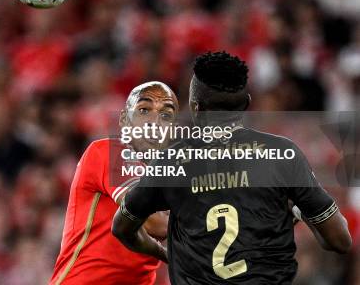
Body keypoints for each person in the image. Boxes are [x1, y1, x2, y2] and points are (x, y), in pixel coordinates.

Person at [112, 51, 352, 284]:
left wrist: (164, 253)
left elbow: (122, 228)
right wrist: (299, 211)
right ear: (247, 104)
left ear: (195, 107)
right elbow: (339, 241)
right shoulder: (282, 154)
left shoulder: (171, 160)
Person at [50, 81, 177, 285]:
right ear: (124, 120)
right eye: (144, 110)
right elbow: (151, 220)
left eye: (166, 115)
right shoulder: (109, 152)